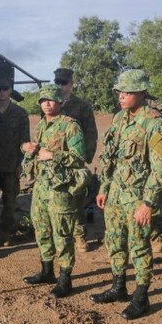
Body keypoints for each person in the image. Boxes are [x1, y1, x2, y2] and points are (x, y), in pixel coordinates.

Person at [91, 69, 162, 320]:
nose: (122, 96)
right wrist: (104, 187)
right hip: (116, 193)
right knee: (114, 241)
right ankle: (118, 287)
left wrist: (148, 203)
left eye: (127, 92)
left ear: (142, 92)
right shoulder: (119, 119)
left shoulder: (154, 122)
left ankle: (141, 297)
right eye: (120, 91)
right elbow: (111, 158)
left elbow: (160, 169)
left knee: (139, 245)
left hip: (138, 197)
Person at [21, 84, 87, 297]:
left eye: (50, 100)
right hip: (41, 187)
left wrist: (54, 155)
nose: (46, 103)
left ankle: (65, 279)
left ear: (60, 102)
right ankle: (46, 271)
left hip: (60, 189)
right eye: (42, 100)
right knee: (41, 229)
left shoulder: (70, 126)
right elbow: (37, 152)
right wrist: (28, 149)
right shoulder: (41, 125)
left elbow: (79, 158)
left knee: (62, 234)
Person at [56, 68, 98, 251]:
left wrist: (85, 157)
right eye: (57, 82)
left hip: (74, 159)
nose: (60, 86)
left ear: (71, 84)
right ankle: (59, 232)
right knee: (56, 196)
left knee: (77, 197)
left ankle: (79, 235)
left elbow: (91, 134)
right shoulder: (51, 104)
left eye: (63, 83)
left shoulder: (82, 106)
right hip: (55, 160)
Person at [0, 73, 31, 243]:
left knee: (10, 202)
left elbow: (24, 141)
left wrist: (22, 163)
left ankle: (7, 232)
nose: (2, 92)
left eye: (5, 89)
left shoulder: (20, 113)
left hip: (12, 165)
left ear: (10, 90)